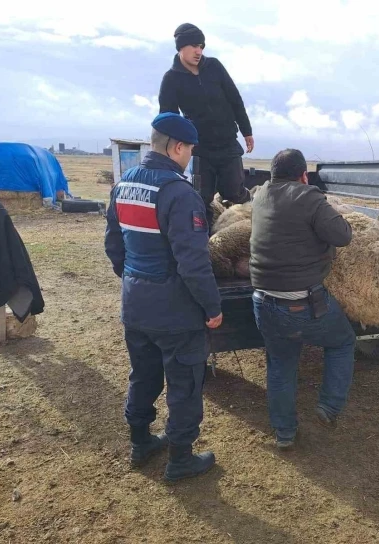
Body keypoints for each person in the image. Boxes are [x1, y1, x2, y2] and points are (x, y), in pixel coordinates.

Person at [104, 112, 223, 482]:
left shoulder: (123, 186)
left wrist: (134, 280)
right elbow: (192, 262)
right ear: (176, 147)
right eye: (189, 149)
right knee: (185, 383)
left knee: (143, 374)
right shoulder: (179, 193)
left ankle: (140, 442)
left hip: (135, 305)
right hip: (175, 313)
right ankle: (181, 460)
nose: (189, 156)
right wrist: (212, 306)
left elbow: (114, 245)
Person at [249, 149, 356, 450]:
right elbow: (344, 236)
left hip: (262, 302)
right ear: (303, 176)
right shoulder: (309, 197)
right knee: (343, 342)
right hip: (301, 303)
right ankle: (329, 406)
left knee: (281, 364)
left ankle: (285, 433)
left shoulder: (259, 195)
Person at [158, 23, 254, 228]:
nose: (199, 51)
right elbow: (168, 117)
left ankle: (255, 214)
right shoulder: (171, 79)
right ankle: (206, 241)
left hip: (228, 142)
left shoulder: (215, 67)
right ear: (180, 47)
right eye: (194, 46)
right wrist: (172, 148)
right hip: (200, 148)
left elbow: (235, 99)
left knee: (233, 192)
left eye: (201, 46)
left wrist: (247, 131)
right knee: (202, 197)